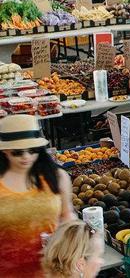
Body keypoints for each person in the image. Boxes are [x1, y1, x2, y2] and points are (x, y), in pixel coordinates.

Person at [0, 114, 75, 277]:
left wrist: (66, 241)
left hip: (51, 271)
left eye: (32, 150)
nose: (26, 157)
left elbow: (67, 215)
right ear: (5, 151)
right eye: (18, 152)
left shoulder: (57, 177)